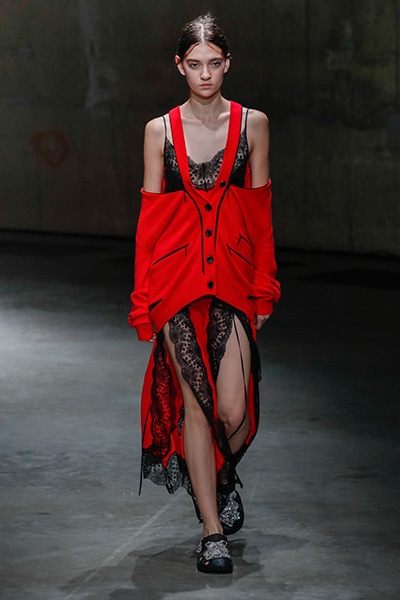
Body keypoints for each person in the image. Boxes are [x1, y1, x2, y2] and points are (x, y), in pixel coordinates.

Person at [128, 13, 280, 574]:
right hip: (175, 286)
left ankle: (216, 476)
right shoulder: (159, 131)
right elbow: (150, 221)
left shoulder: (253, 125)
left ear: (227, 63)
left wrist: (264, 289)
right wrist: (142, 299)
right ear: (179, 66)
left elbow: (260, 215)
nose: (206, 74)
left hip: (233, 281)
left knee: (233, 409)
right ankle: (212, 532)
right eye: (195, 64)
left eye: (214, 63)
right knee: (197, 405)